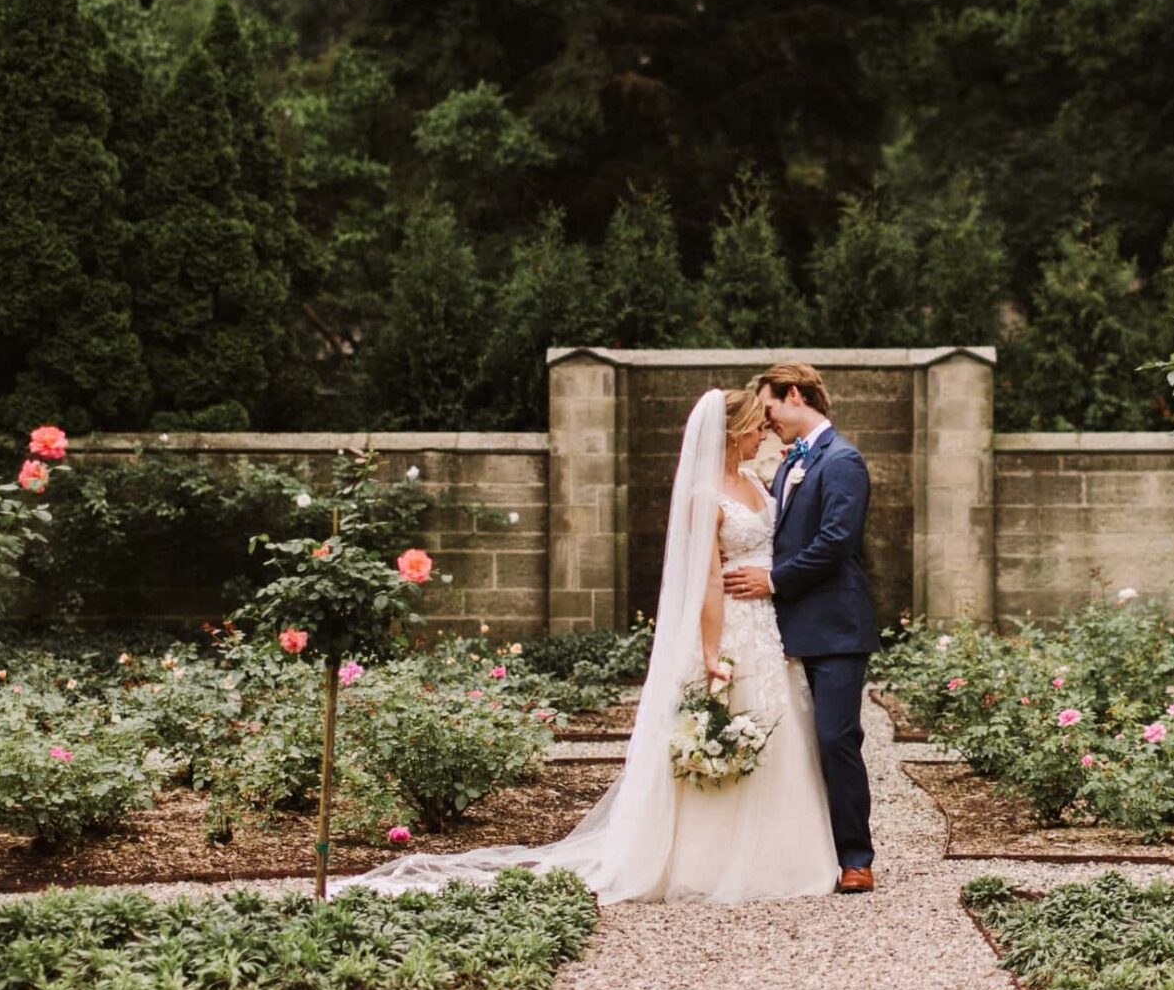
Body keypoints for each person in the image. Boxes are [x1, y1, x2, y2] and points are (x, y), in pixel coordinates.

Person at [346, 385, 837, 903]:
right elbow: (708, 583)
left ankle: (780, 858)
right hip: (730, 628)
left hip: (767, 626)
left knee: (779, 730)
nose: (765, 431)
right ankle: (712, 862)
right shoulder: (703, 498)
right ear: (734, 431)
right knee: (729, 726)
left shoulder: (760, 485)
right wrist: (712, 653)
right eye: (758, 424)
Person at [723, 360, 878, 893]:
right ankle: (804, 854)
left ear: (794, 395)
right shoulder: (791, 463)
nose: (766, 423)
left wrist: (773, 581)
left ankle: (857, 858)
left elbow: (836, 542)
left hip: (836, 627)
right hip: (785, 629)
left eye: (768, 408)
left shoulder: (843, 461)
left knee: (837, 739)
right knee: (793, 744)